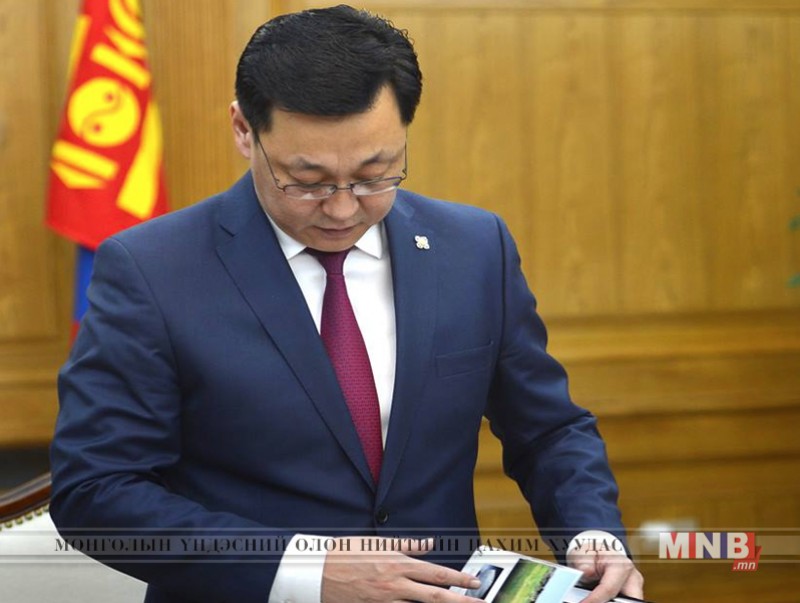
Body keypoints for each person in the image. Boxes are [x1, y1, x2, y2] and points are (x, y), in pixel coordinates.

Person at [50, 5, 644, 603]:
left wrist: (590, 533)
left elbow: (547, 429)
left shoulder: (473, 248)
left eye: (374, 174)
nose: (341, 209)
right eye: (306, 180)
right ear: (243, 130)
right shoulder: (152, 270)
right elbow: (95, 491)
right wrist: (307, 570)